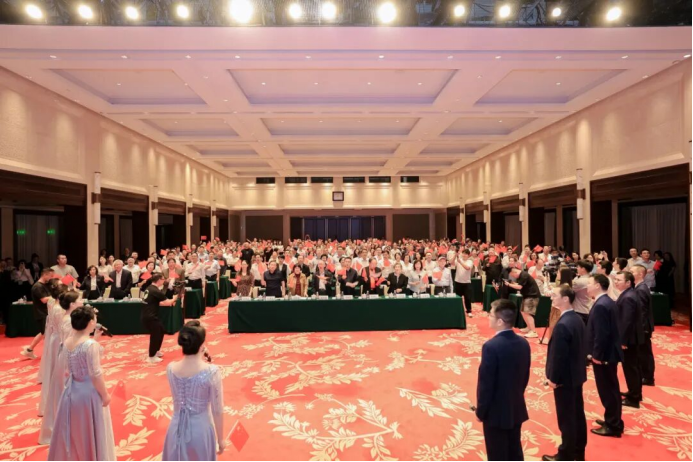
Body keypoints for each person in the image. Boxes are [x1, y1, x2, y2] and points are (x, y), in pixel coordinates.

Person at [47, 305, 116, 461]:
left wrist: (95, 339)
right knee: (91, 429)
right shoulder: (90, 345)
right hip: (88, 393)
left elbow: (70, 366)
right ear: (91, 322)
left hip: (72, 391)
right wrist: (105, 395)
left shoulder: (68, 341)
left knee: (77, 430)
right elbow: (95, 373)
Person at [476, 300, 531, 462]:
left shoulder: (491, 346)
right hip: (516, 405)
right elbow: (525, 376)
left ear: (500, 321)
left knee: (497, 452)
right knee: (514, 449)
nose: (488, 317)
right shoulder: (524, 343)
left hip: (495, 412)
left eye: (491, 314)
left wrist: (481, 411)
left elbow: (486, 384)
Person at [163, 321, 225, 460]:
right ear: (202, 345)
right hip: (200, 432)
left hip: (175, 430)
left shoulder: (170, 368)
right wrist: (221, 440)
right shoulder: (212, 372)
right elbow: (217, 409)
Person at [543, 285, 587, 462]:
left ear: (565, 299)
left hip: (565, 378)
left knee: (567, 417)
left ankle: (566, 454)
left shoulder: (563, 324)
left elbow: (559, 355)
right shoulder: (576, 319)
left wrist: (553, 378)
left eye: (555, 295)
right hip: (576, 374)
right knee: (577, 414)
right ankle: (578, 451)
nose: (551, 298)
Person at [586, 274, 625, 438]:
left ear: (597, 285)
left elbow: (602, 334)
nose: (587, 287)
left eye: (589, 283)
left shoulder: (602, 304)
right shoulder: (605, 301)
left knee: (608, 390)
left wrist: (597, 355)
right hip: (608, 353)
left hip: (605, 355)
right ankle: (612, 420)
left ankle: (613, 425)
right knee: (611, 388)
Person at [39, 290, 79, 445]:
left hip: (64, 352)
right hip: (68, 357)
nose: (82, 302)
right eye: (79, 300)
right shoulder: (68, 320)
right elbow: (71, 343)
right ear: (72, 304)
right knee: (65, 388)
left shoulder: (67, 317)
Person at [614, 271, 644, 409]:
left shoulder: (628, 297)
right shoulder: (629, 294)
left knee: (630, 367)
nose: (616, 282)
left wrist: (622, 341)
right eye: (615, 279)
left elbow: (626, 321)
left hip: (629, 339)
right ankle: (635, 392)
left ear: (628, 282)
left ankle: (634, 398)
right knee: (633, 366)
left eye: (619, 280)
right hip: (631, 337)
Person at [142, 274, 177, 364]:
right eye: (163, 279)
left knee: (161, 330)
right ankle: (151, 356)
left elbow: (157, 302)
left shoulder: (149, 288)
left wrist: (170, 302)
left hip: (148, 315)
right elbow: (168, 302)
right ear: (158, 280)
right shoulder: (155, 290)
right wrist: (175, 298)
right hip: (151, 316)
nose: (164, 280)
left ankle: (156, 351)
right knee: (155, 335)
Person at [21, 268, 54, 361]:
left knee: (43, 333)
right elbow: (44, 300)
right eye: (50, 276)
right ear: (45, 275)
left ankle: (29, 350)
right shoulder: (37, 287)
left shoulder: (45, 284)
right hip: (42, 313)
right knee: (46, 334)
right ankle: (49, 354)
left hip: (47, 312)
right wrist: (56, 296)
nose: (51, 278)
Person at [632, 265, 655, 387]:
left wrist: (640, 329)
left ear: (640, 274)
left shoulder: (640, 289)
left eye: (632, 272)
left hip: (643, 327)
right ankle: (645, 375)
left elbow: (642, 312)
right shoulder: (639, 287)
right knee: (643, 352)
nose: (629, 273)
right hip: (643, 326)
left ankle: (648, 377)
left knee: (644, 352)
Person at [506, 267, 541, 339]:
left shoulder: (523, 275)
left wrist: (509, 285)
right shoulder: (522, 275)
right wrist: (513, 283)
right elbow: (521, 284)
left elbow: (519, 287)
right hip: (527, 295)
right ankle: (529, 327)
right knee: (523, 312)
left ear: (514, 272)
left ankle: (533, 332)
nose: (513, 277)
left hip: (532, 295)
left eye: (512, 275)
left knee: (528, 313)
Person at [454, 250, 474, 317]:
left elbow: (467, 268)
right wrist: (455, 255)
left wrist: (460, 262)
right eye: (463, 254)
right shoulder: (458, 260)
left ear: (468, 255)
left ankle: (469, 311)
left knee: (467, 298)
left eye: (466, 254)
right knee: (457, 297)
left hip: (467, 282)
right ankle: (457, 310)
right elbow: (451, 263)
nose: (464, 255)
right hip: (458, 281)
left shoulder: (470, 261)